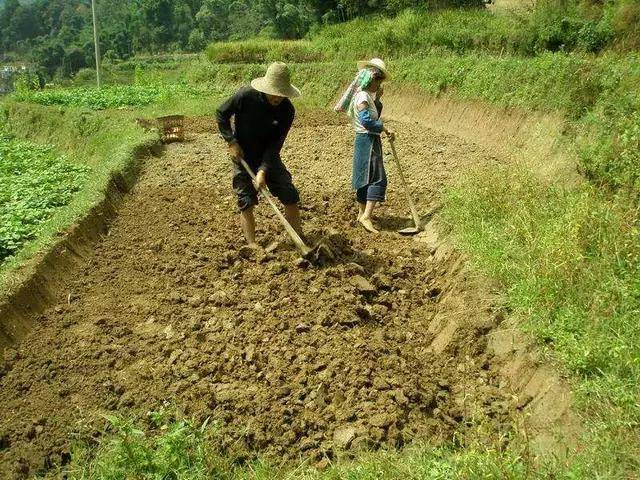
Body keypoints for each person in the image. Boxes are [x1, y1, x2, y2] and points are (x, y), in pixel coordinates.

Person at [216, 62, 302, 246]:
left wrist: (263, 170)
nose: (277, 97)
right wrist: (231, 142)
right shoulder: (245, 96)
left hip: (268, 156)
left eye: (281, 93)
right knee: (245, 200)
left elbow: (275, 145)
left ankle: (299, 241)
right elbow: (221, 114)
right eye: (274, 92)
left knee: (289, 193)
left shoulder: (287, 110)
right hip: (243, 154)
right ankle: (252, 245)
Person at [348, 58, 394, 233]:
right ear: (373, 79)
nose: (380, 85)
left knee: (364, 178)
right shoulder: (362, 96)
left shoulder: (366, 96)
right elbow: (367, 121)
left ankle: (361, 214)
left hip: (366, 140)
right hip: (368, 141)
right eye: (379, 81)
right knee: (377, 178)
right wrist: (384, 127)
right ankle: (366, 216)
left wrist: (378, 100)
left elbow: (371, 115)